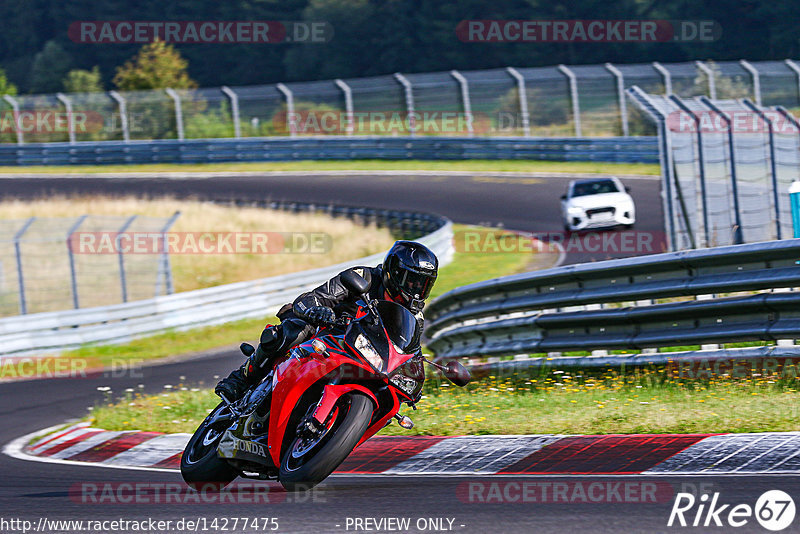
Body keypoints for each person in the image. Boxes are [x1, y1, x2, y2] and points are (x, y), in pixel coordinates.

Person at [215, 240, 439, 400]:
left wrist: (414, 379)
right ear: (394, 272)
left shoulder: (414, 317)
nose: (416, 290)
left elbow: (409, 355)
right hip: (326, 331)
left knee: (388, 395)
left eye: (423, 284)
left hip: (362, 355)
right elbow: (311, 299)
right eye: (411, 282)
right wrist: (318, 311)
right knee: (295, 329)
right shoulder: (365, 277)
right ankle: (241, 378)